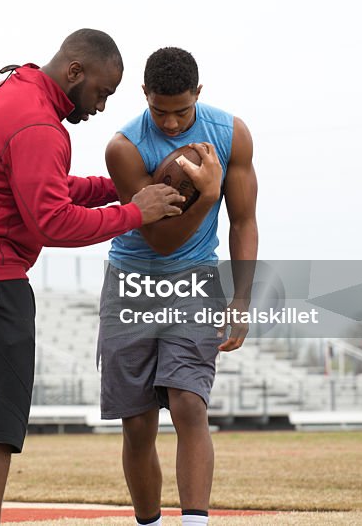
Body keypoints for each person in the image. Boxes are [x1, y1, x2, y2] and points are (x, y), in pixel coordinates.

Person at [0, 29, 186, 526]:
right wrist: (135, 212)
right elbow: (51, 220)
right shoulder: (39, 123)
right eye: (102, 92)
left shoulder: (14, 91)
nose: (101, 107)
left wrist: (117, 187)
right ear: (75, 72)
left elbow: (48, 187)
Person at [98, 46, 259, 526]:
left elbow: (245, 220)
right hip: (130, 281)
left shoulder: (231, 133)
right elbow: (161, 239)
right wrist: (206, 193)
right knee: (138, 423)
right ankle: (148, 523)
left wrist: (241, 301)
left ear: (199, 94)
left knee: (189, 403)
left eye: (181, 111)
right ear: (144, 94)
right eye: (159, 111)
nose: (170, 124)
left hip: (194, 281)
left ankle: (195, 523)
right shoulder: (123, 147)